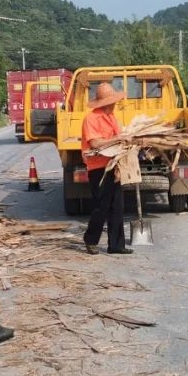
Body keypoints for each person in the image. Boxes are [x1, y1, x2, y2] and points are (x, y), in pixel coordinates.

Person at [81, 82, 133, 255]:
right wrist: (118, 138)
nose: (115, 104)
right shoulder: (91, 118)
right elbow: (95, 142)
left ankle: (117, 245)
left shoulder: (112, 117)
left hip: (112, 164)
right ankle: (90, 240)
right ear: (105, 103)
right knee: (101, 206)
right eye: (112, 101)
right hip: (97, 167)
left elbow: (118, 142)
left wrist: (120, 165)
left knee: (117, 205)